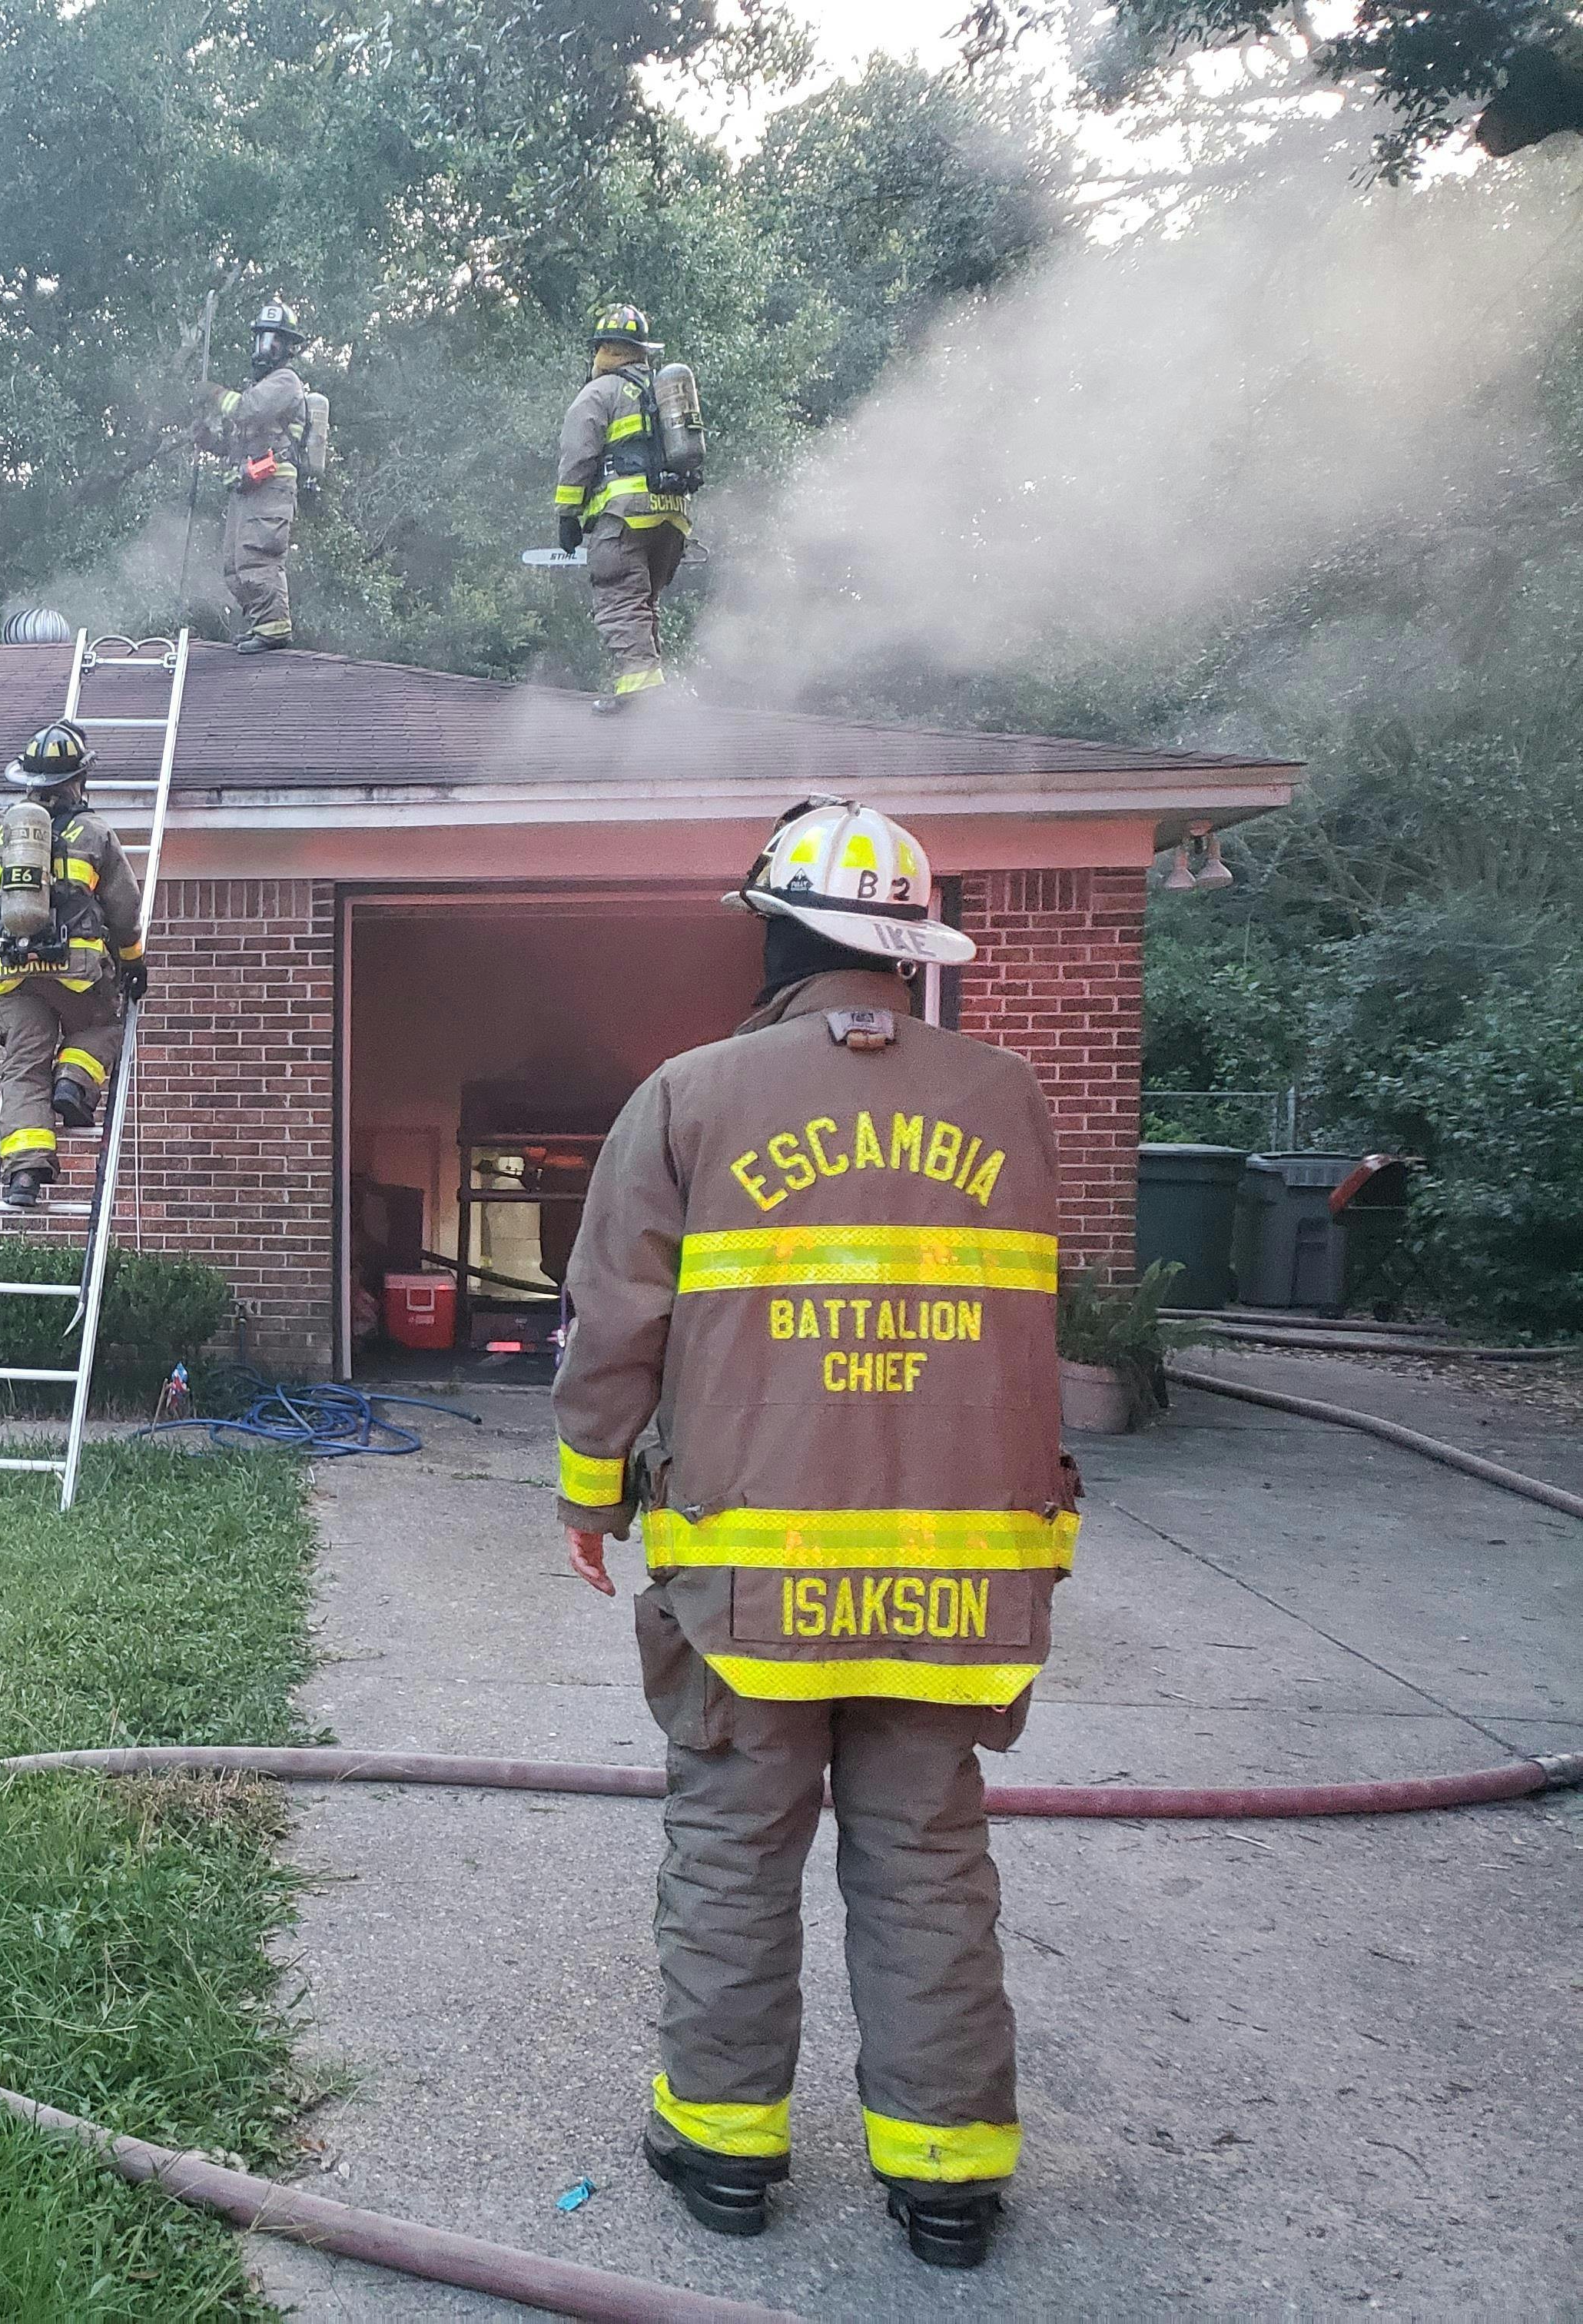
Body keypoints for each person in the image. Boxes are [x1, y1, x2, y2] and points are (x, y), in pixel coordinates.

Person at [551, 796, 1070, 2272]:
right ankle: (947, 2174)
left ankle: (722, 2148)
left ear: (776, 932)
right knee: (927, 1859)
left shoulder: (690, 1095)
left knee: (731, 1847)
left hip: (749, 1592)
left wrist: (592, 1492)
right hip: (958, 1583)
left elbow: (612, 1329)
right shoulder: (1008, 1099)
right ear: (907, 949)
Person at [0, 721, 146, 1209]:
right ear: (79, 780)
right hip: (76, 969)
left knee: (23, 1069)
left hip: (10, 973)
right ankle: (73, 1083)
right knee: (102, 1027)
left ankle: (24, 1177)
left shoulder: (1, 831)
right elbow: (124, 911)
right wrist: (133, 961)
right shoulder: (94, 833)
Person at [555, 304, 693, 709]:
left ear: (604, 350)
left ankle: (640, 692)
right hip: (672, 516)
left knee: (619, 599)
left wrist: (568, 516)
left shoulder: (599, 393)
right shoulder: (662, 392)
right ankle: (648, 685)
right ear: (642, 350)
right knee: (643, 601)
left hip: (625, 518)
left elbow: (578, 456)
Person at [196, 300, 320, 654]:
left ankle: (276, 629)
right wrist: (205, 439)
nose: (264, 348)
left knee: (258, 556)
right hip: (249, 485)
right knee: (235, 565)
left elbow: (247, 409)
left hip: (272, 485)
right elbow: (237, 445)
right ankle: (262, 624)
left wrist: (214, 393)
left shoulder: (285, 382)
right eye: (262, 340)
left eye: (273, 342)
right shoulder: (261, 386)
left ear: (286, 347)